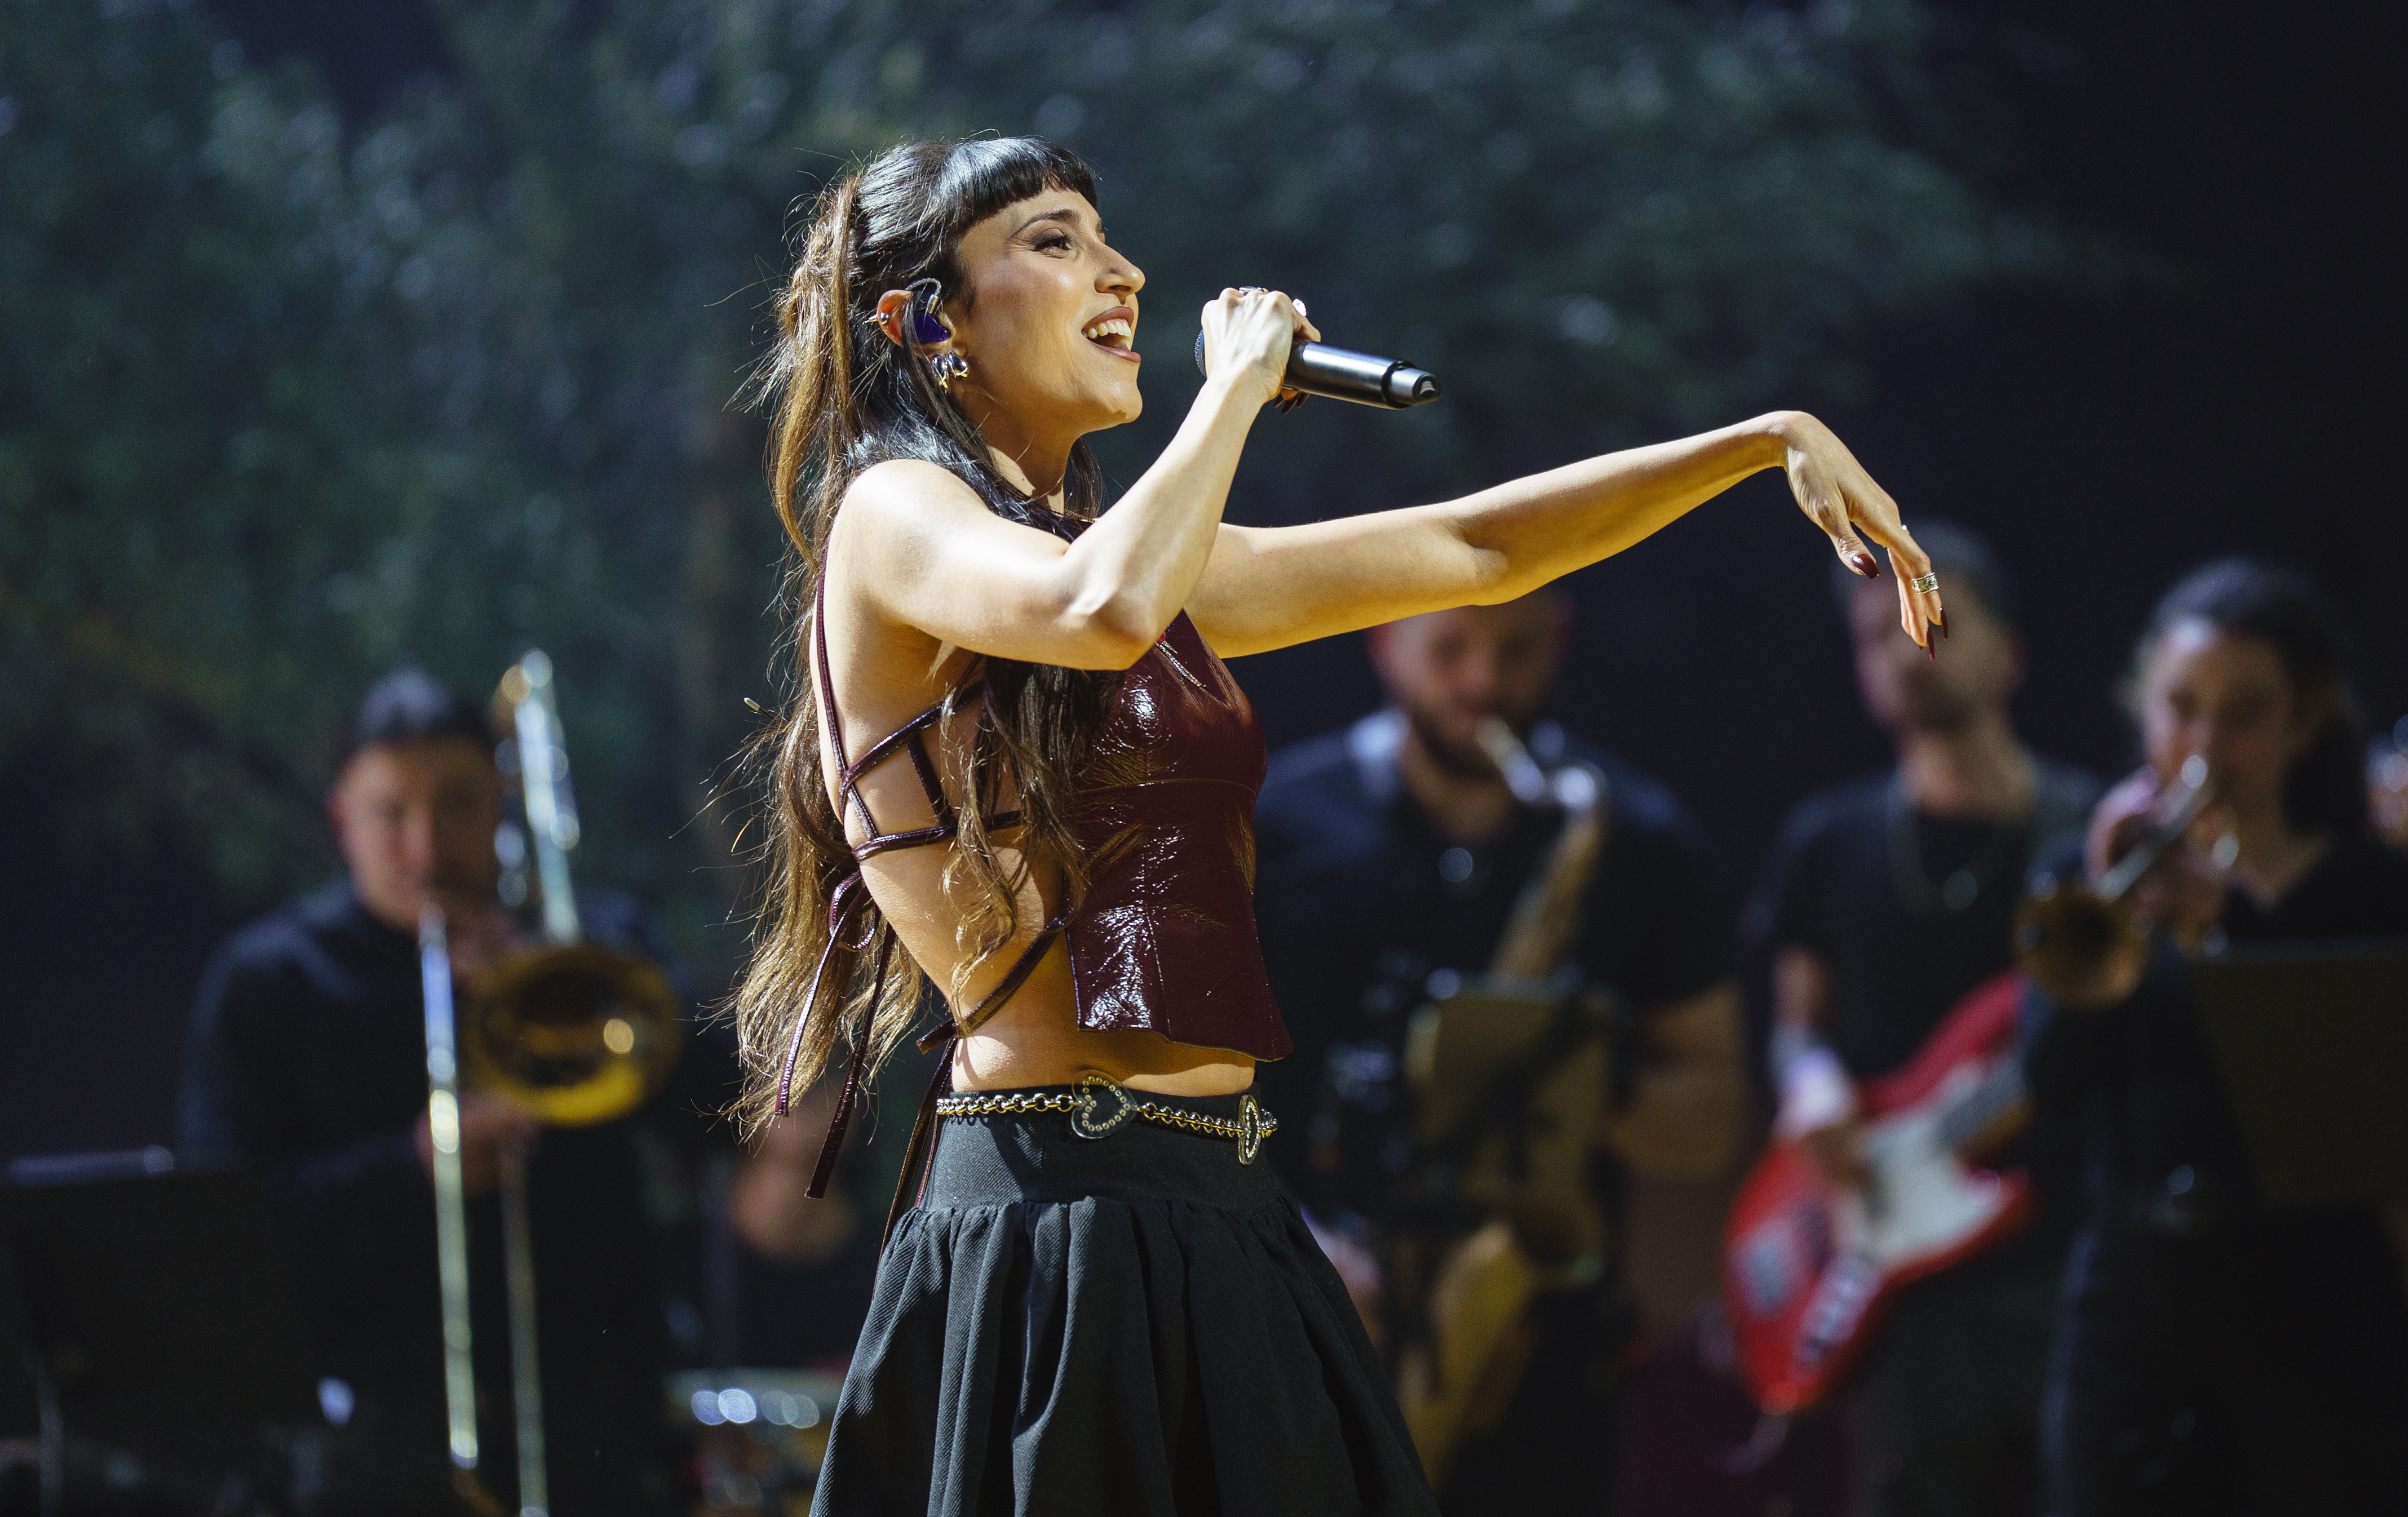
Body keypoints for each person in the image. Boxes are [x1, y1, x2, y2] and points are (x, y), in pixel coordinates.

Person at [731, 135, 1947, 1517]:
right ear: (928, 320)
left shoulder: (1105, 552)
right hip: (1053, 1209)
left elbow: (1476, 552)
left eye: (1107, 233)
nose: (1121, 269)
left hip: (1220, 1202)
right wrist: (1236, 389)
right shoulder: (893, 516)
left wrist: (1754, 443)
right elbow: (1099, 615)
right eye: (1057, 239)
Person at [1251, 590, 1743, 1514]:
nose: (1485, 682)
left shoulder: (1636, 837)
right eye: (1452, 650)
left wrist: (1570, 1081)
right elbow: (1182, 1096)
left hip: (1547, 1359)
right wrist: (1298, 1255)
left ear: (1560, 641)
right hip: (1310, 1324)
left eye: (1517, 650)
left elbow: (1713, 1118)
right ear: (1384, 640)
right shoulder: (1274, 828)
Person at [178, 668, 711, 1516]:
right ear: (340, 819)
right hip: (365, 1457)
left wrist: (557, 992)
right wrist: (415, 1168)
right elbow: (224, 1233)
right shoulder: (272, 981)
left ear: (502, 802)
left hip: (602, 1436)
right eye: (391, 814)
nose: (426, 848)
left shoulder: (594, 946)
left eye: (458, 805)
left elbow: (724, 1117)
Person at [2024, 559, 2408, 1516]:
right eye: (2179, 706)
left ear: (2303, 721)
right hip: (2130, 1292)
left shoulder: (2371, 888)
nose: (2203, 745)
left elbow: (2347, 1103)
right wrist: (2109, 918)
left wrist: (2230, 932)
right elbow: (2046, 1088)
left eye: (2242, 714)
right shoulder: (2087, 869)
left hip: (2314, 1302)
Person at [1746, 524, 2096, 1517]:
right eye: (1869, 635)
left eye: (1923, 619)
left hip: (2062, 1254)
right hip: (1899, 1271)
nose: (1897, 651)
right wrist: (1811, 1091)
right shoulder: (1828, 841)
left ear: (2011, 653)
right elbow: (1796, 1028)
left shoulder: (2087, 833)